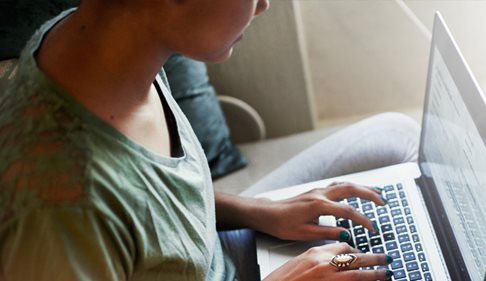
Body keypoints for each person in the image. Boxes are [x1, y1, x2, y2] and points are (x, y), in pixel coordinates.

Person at [0, 0, 419, 280]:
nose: (262, 6)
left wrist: (261, 211)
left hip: (216, 255)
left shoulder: (99, 40)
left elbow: (151, 205)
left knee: (394, 137)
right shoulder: (60, 210)